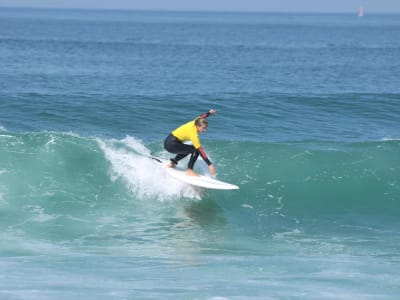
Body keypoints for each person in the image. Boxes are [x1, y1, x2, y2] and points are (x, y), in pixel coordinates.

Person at [164, 109, 216, 177]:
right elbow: (200, 150)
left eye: (205, 128)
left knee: (188, 149)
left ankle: (172, 163)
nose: (205, 130)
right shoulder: (193, 134)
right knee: (195, 150)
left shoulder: (195, 121)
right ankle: (189, 170)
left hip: (168, 141)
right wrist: (210, 164)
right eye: (203, 128)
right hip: (172, 144)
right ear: (198, 126)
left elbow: (202, 116)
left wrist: (209, 113)